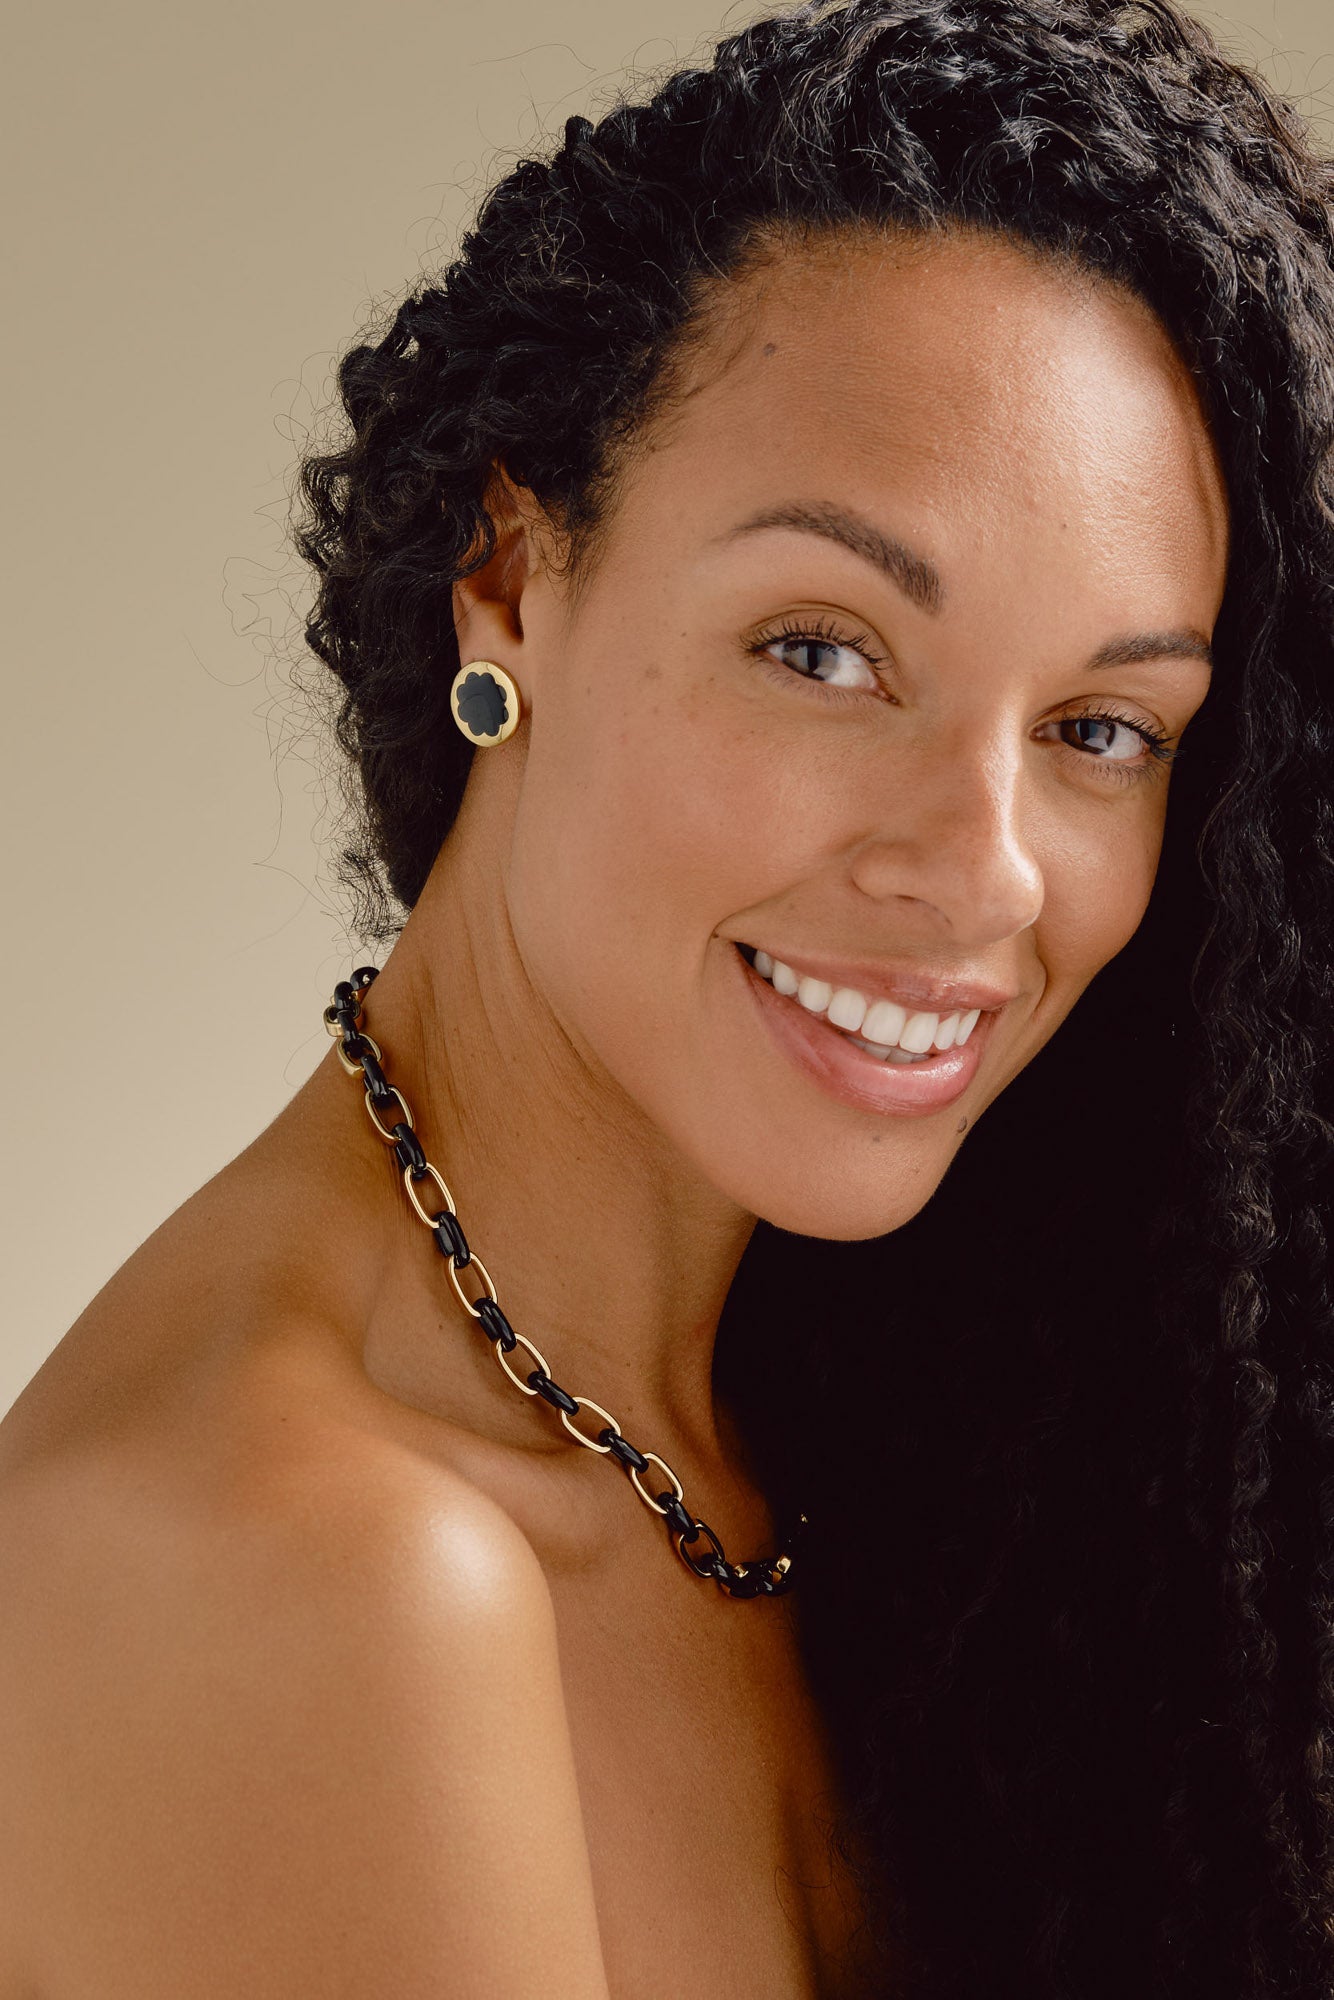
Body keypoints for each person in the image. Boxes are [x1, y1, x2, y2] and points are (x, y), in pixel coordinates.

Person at [3, 0, 1332, 1992]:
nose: (981, 870)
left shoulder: (880, 1427)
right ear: (509, 580)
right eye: (824, 650)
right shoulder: (297, 1563)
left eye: (1097, 728)